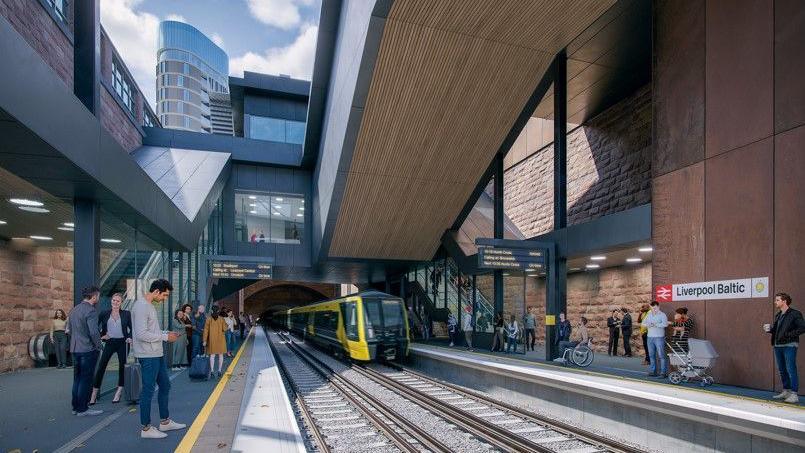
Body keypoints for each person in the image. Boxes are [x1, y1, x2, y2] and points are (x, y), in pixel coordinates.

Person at [132, 279, 185, 439]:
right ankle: (146, 428)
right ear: (156, 292)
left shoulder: (148, 306)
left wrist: (166, 333)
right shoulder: (142, 307)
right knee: (148, 390)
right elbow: (141, 334)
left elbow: (149, 330)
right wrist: (164, 336)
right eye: (165, 295)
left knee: (165, 385)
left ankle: (165, 421)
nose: (165, 298)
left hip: (156, 354)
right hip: (148, 356)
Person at [89, 293, 132, 405]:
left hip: (122, 343)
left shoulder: (126, 314)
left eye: (118, 301)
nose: (115, 302)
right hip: (109, 343)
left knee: (122, 367)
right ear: (111, 301)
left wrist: (129, 338)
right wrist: (102, 337)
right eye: (114, 300)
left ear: (121, 302)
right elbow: (94, 328)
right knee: (101, 366)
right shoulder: (104, 313)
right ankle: (94, 393)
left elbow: (132, 329)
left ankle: (119, 391)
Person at [67, 286, 103, 417]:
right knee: (86, 379)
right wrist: (99, 345)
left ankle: (75, 407)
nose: (98, 298)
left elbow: (70, 330)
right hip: (87, 349)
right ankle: (83, 409)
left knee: (77, 378)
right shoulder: (91, 311)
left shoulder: (74, 310)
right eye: (97, 296)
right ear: (94, 297)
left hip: (75, 349)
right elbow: (94, 332)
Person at [766, 293, 805, 404]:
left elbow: (802, 327)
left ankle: (794, 394)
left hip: (790, 345)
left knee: (791, 368)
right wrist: (770, 329)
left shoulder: (795, 314)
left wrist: (789, 335)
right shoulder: (778, 315)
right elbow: (778, 331)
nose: (775, 302)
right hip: (778, 345)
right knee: (782, 369)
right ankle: (786, 390)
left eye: (777, 300)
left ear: (784, 301)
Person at [641, 301, 669, 378]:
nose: (654, 309)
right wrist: (648, 325)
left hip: (659, 337)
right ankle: (653, 371)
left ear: (658, 307)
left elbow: (665, 324)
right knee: (651, 355)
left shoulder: (662, 315)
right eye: (652, 307)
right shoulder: (649, 315)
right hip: (650, 337)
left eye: (655, 307)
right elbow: (643, 323)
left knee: (661, 356)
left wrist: (656, 324)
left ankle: (663, 373)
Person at [203, 305, 228, 379]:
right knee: (220, 355)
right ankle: (219, 371)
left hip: (212, 339)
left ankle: (212, 371)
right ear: (218, 311)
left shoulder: (208, 319)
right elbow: (225, 329)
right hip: (221, 339)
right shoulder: (221, 319)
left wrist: (204, 340)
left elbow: (206, 330)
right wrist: (227, 325)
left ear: (211, 311)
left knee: (212, 356)